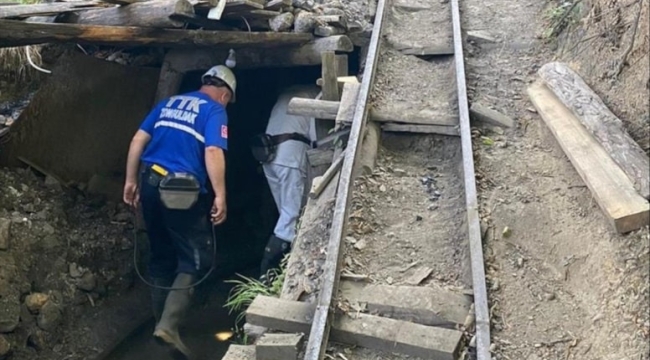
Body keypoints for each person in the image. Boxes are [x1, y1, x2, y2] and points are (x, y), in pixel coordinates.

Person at [122, 65, 236, 359]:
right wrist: (221, 194)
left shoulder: (168, 103)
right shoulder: (214, 111)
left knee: (161, 256)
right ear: (225, 95)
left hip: (149, 181)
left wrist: (131, 180)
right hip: (180, 192)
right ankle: (169, 327)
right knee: (196, 259)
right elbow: (213, 151)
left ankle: (161, 327)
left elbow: (138, 140)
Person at [259, 85, 320, 284]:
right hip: (290, 158)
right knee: (290, 217)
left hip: (268, 156)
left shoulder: (285, 93)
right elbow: (316, 137)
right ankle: (270, 273)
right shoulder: (317, 97)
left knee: (284, 214)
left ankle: (275, 272)